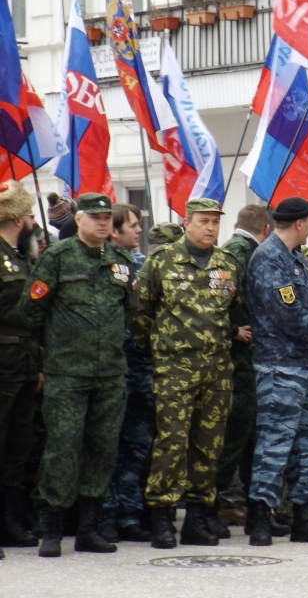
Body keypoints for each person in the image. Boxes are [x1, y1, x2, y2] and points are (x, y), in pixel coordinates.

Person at [19, 192, 138, 558]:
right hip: (67, 373)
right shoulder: (58, 257)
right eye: (95, 217)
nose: (102, 223)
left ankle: (89, 527)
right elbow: (30, 311)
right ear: (79, 219)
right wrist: (48, 355)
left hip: (109, 374)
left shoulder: (121, 260)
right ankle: (53, 527)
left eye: (107, 217)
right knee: (62, 448)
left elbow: (131, 312)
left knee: (102, 449)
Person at [136, 198, 242, 549]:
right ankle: (162, 516)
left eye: (215, 222)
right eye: (204, 221)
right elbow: (140, 313)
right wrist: (161, 351)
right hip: (175, 369)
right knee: (171, 441)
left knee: (208, 445)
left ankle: (198, 516)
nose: (211, 227)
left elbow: (233, 313)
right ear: (187, 223)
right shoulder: (161, 261)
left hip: (216, 370)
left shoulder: (227, 264)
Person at [246, 197, 308, 548]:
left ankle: (304, 516)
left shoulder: (296, 259)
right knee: (275, 445)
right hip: (281, 367)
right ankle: (262, 519)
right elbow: (287, 311)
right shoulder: (270, 258)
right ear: (299, 223)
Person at [215, 205, 280, 536]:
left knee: (247, 434)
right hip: (239, 361)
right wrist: (233, 329)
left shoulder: (231, 249)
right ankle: (217, 505)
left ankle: (247, 506)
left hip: (239, 359)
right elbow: (217, 301)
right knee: (237, 435)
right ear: (266, 229)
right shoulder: (245, 253)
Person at [100, 203, 153, 544]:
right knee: (107, 446)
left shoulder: (144, 266)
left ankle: (130, 514)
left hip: (140, 368)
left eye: (137, 225)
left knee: (137, 445)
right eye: (131, 226)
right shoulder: (103, 265)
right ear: (114, 232)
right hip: (111, 367)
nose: (137, 230)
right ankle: (105, 515)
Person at [0, 181, 40, 555]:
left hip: (25, 361)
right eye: (29, 215)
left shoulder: (23, 256)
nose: (33, 221)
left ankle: (11, 521)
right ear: (15, 218)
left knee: (17, 445)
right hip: (3, 361)